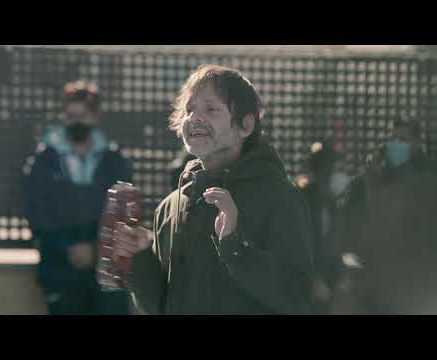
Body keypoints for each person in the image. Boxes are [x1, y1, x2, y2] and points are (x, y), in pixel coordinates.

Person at [112, 65, 314, 315]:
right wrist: (140, 260)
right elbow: (160, 308)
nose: (195, 117)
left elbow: (298, 298)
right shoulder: (169, 207)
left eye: (211, 109)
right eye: (190, 109)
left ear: (246, 125)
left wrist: (234, 246)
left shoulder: (280, 198)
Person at [22, 80, 133, 315]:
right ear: (63, 116)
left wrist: (95, 248)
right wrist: (68, 246)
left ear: (95, 117)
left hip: (106, 271)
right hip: (59, 269)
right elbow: (36, 211)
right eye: (71, 115)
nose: (77, 122)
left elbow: (124, 211)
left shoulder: (113, 161)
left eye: (83, 115)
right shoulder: (44, 162)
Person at [331, 118, 437, 314]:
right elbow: (349, 231)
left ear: (417, 143)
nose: (397, 145)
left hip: (417, 290)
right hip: (375, 289)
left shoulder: (429, 184)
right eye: (394, 139)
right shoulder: (369, 181)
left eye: (403, 140)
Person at [297, 141, 351, 314]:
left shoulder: (334, 201)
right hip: (309, 286)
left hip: (332, 283)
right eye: (336, 168)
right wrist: (313, 279)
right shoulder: (302, 199)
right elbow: (297, 243)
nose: (340, 173)